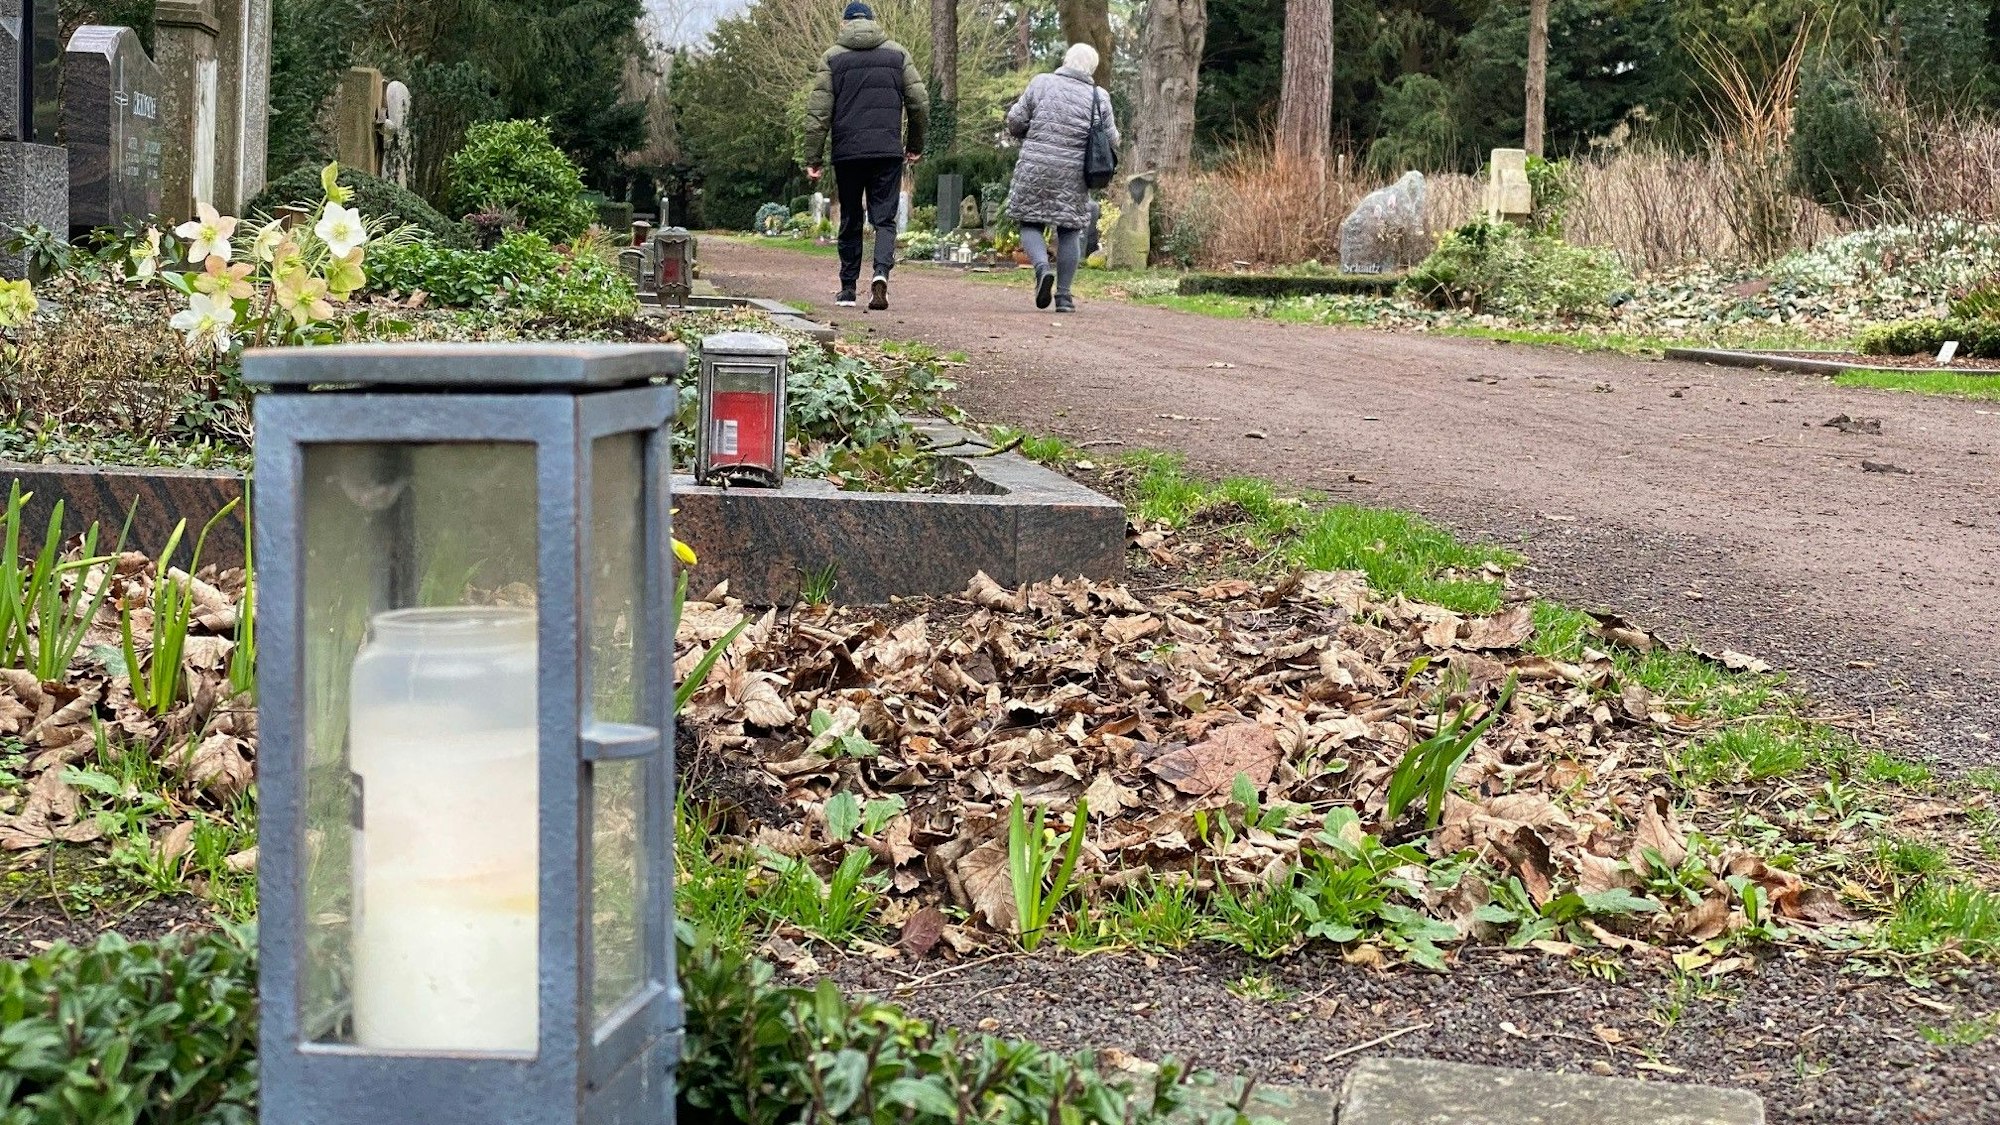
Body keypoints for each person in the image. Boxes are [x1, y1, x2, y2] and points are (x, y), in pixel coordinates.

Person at [802, 1, 927, 311]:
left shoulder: (832, 58)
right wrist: (915, 144)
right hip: (886, 150)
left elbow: (818, 114)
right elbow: (919, 102)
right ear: (873, 22)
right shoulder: (897, 54)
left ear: (844, 24)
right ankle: (880, 274)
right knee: (884, 220)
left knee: (851, 219)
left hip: (848, 153)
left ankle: (846, 289)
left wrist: (813, 158)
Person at [1004, 43, 1118, 314]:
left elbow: (1015, 120)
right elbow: (1112, 139)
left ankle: (1042, 268)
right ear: (1092, 68)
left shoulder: (1041, 83)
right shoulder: (1098, 96)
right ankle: (1064, 298)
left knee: (1030, 222)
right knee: (1069, 230)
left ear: (1066, 60)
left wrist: (1030, 133)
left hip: (1035, 167)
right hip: (1074, 174)